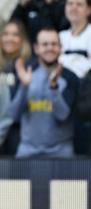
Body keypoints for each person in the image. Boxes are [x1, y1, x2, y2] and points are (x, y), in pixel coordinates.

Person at [11, 27, 79, 158]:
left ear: (60, 47)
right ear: (36, 48)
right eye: (45, 44)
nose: (50, 48)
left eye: (54, 44)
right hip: (28, 149)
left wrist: (53, 87)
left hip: (61, 150)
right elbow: (14, 115)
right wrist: (24, 86)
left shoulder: (70, 77)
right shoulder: (25, 73)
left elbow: (62, 116)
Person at [0, 20, 31, 155]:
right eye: (6, 34)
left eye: (15, 35)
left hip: (18, 128)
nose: (10, 39)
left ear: (22, 39)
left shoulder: (29, 65)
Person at [58, 0, 91, 79]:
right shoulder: (60, 37)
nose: (73, 8)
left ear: (88, 9)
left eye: (79, 4)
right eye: (70, 3)